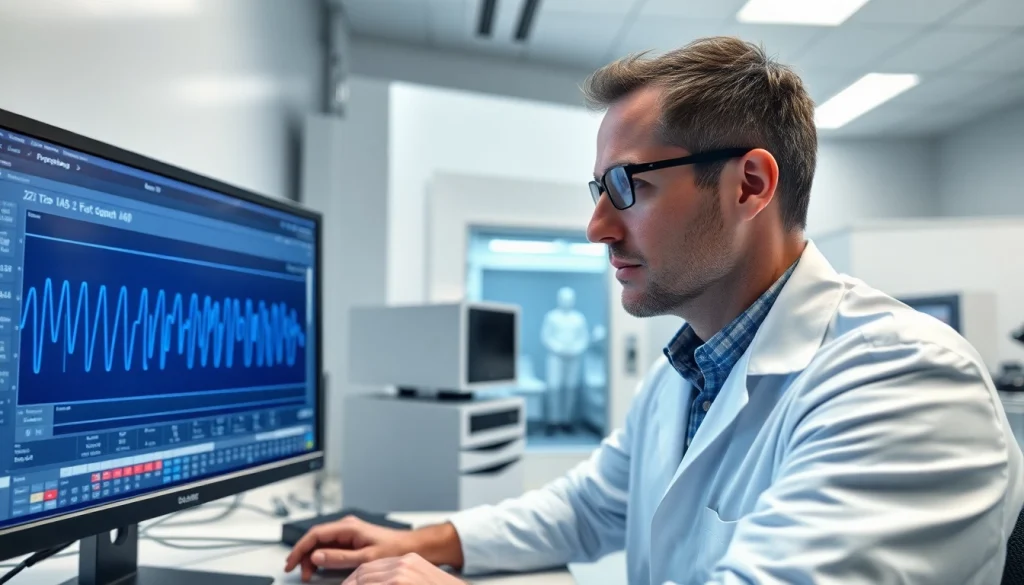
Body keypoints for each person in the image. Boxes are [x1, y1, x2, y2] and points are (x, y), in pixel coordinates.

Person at [284, 36, 1024, 585]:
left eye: (626, 186)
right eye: (596, 191)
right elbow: (589, 505)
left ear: (750, 184)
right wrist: (424, 539)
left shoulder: (907, 380)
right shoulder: (690, 366)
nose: (598, 226)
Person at [540, 286, 590, 434]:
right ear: (559, 299)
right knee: (554, 388)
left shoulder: (579, 318)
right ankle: (553, 421)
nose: (566, 302)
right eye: (564, 299)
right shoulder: (552, 317)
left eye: (569, 299)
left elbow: (584, 338)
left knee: (570, 389)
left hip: (573, 358)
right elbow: (546, 337)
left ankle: (567, 421)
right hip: (555, 357)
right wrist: (559, 348)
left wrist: (575, 349)